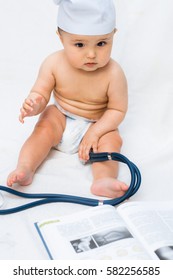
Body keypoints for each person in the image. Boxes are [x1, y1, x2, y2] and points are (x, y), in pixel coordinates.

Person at [7, 0, 128, 198]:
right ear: (61, 38)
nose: (91, 54)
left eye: (102, 43)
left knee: (112, 139)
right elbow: (41, 93)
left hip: (96, 123)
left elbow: (117, 111)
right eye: (79, 44)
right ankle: (25, 168)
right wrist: (34, 103)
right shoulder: (53, 63)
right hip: (62, 116)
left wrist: (96, 132)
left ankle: (103, 179)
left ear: (113, 35)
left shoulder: (114, 73)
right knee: (45, 123)